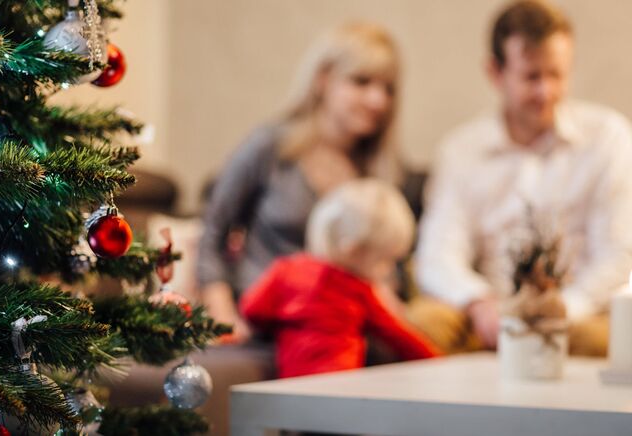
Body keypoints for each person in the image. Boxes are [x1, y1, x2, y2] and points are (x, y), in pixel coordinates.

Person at [414, 0, 632, 356]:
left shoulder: (608, 137)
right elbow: (438, 254)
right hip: (486, 316)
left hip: (577, 317)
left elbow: (619, 255)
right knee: (423, 323)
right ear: (495, 72)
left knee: (612, 340)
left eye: (556, 75)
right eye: (531, 76)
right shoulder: (460, 150)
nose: (546, 92)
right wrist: (479, 303)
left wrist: (561, 309)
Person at [196, 22, 404, 343]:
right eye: (361, 82)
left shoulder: (377, 172)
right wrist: (224, 317)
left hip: (341, 325)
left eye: (388, 88)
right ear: (323, 80)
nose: (378, 100)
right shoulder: (270, 146)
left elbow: (386, 266)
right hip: (267, 319)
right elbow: (213, 231)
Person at [240, 180, 440, 378]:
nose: (388, 272)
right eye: (385, 261)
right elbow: (399, 336)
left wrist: (279, 327)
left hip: (293, 385)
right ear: (354, 251)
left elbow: (252, 309)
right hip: (341, 383)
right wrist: (439, 364)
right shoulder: (360, 289)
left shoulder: (286, 269)